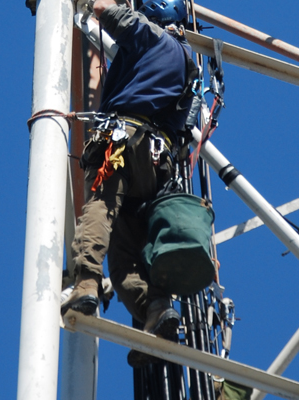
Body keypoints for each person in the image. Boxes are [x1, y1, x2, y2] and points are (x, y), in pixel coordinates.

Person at [61, 0, 195, 365]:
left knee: (100, 208)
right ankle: (155, 311)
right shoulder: (189, 65)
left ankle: (86, 281)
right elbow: (180, 128)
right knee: (126, 255)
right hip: (155, 165)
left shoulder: (147, 35)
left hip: (122, 142)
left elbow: (106, 9)